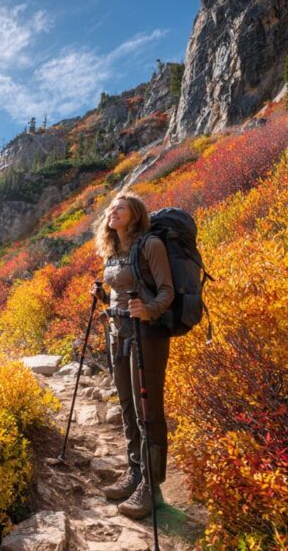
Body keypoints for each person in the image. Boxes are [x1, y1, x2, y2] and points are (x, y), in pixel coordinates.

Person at [90, 193, 174, 519]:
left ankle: (152, 489)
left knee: (148, 410)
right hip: (118, 333)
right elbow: (120, 295)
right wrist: (102, 299)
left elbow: (166, 290)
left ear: (135, 214)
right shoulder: (112, 252)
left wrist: (149, 310)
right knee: (126, 405)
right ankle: (135, 472)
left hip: (147, 334)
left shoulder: (151, 245)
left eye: (120, 208)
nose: (112, 211)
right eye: (111, 207)